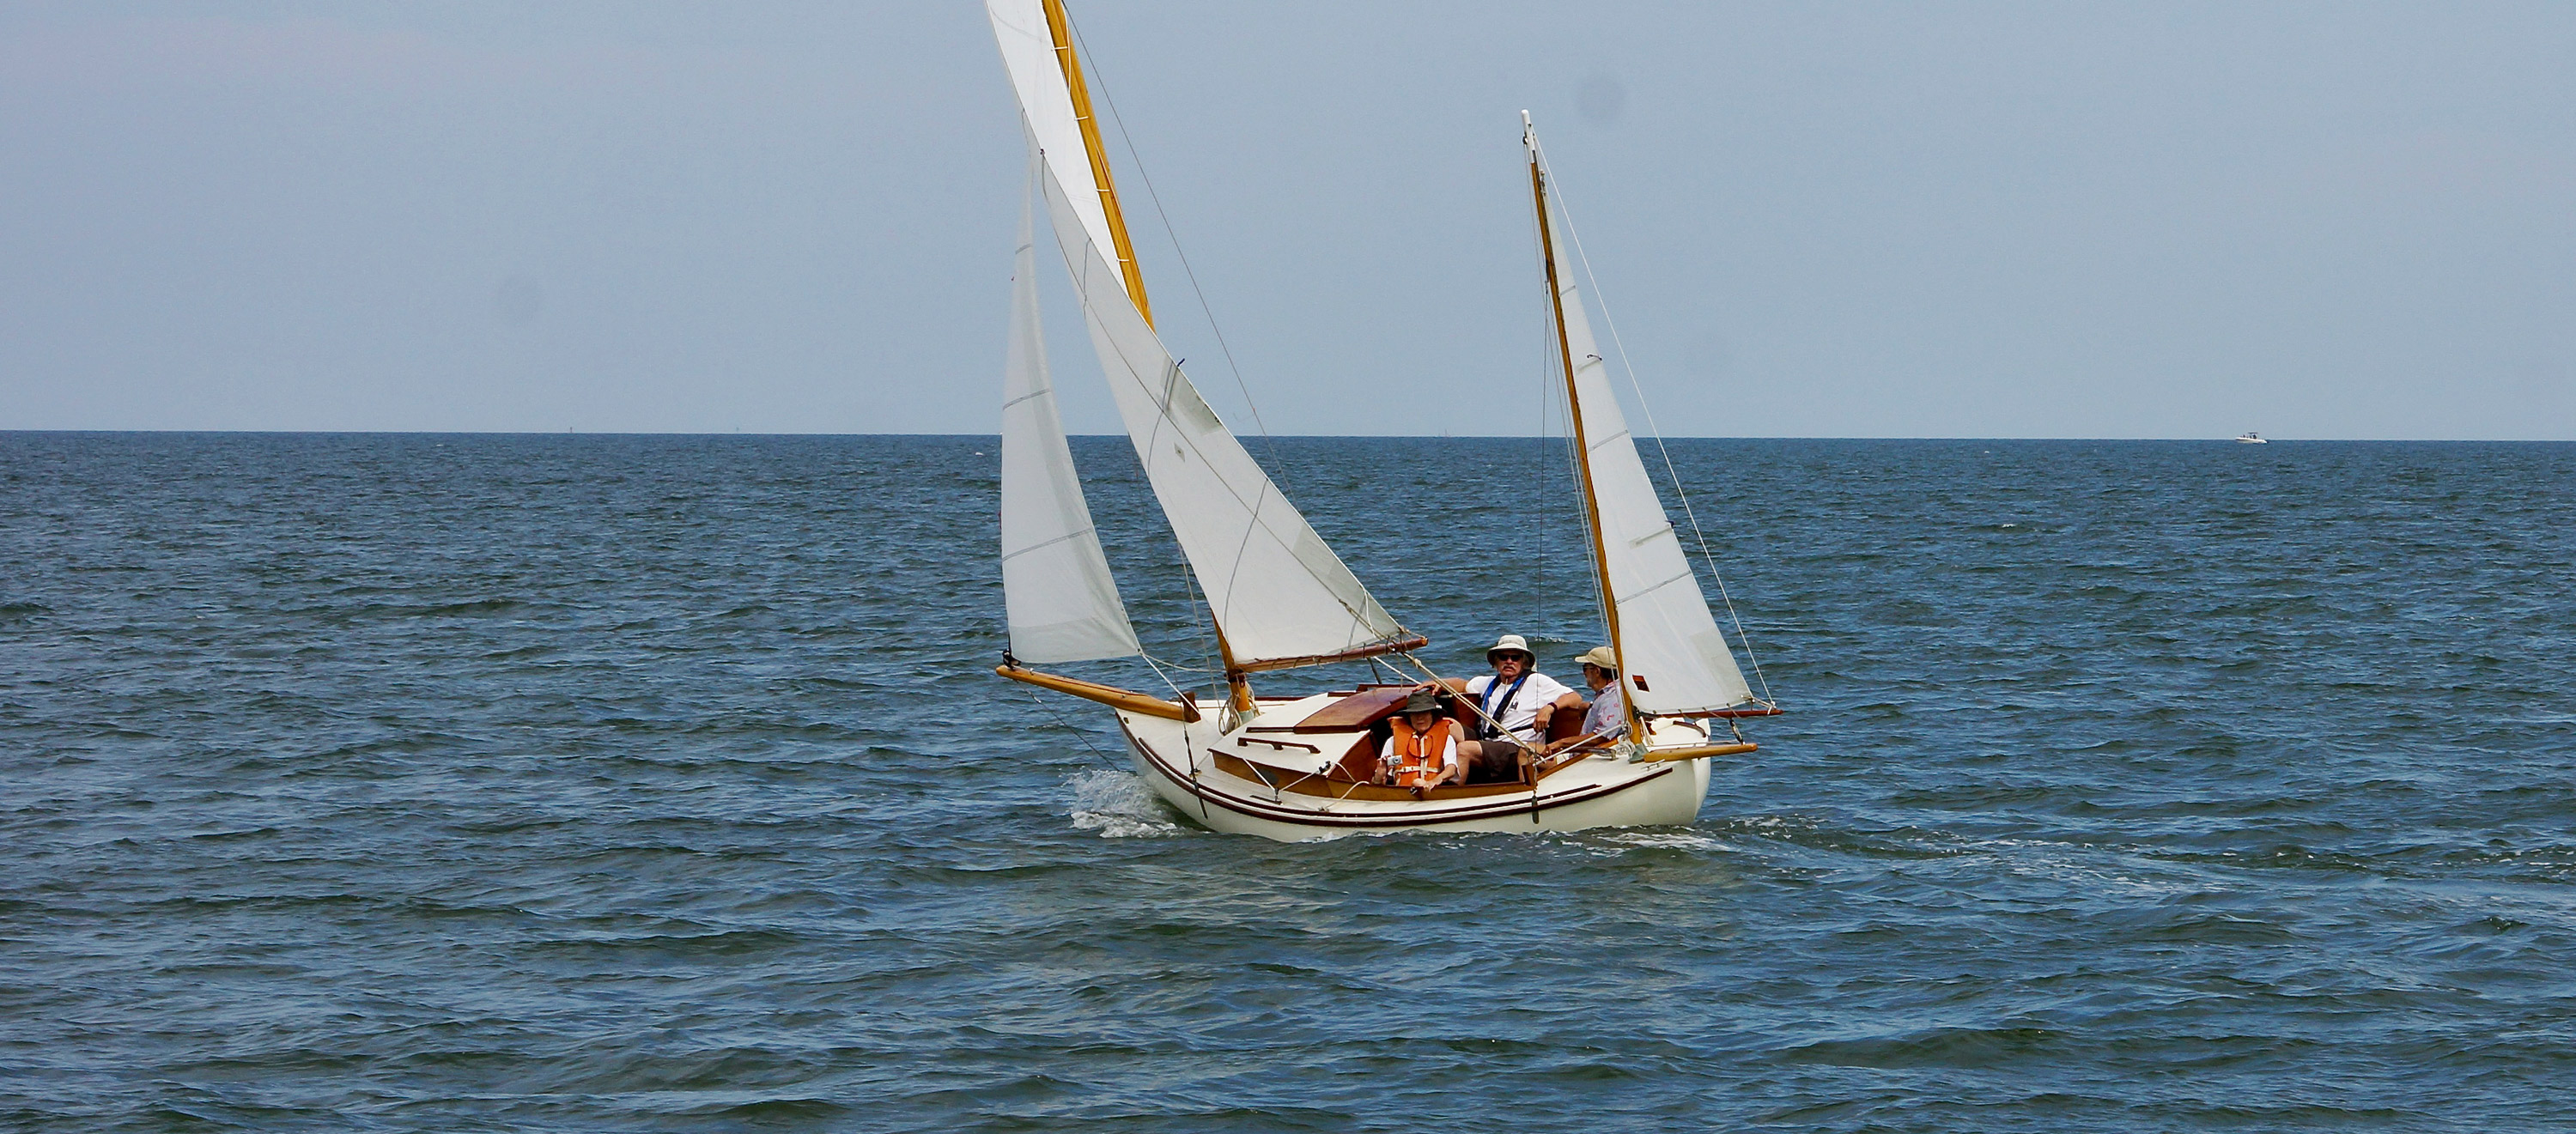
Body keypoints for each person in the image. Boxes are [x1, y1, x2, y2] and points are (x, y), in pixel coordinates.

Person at [1445, 634, 1582, 784]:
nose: (1509, 661)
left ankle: (1451, 793)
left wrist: (1549, 708)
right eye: (1504, 657)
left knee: (1465, 749)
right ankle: (1429, 777)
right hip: (1488, 741)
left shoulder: (1537, 682)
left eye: (1515, 657)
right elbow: (1462, 684)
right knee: (1446, 725)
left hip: (1516, 748)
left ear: (1524, 662)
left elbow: (1575, 697)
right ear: (1496, 662)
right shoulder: (1489, 682)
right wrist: (1436, 684)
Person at [1544, 646, 1628, 759]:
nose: (1584, 673)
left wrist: (1561, 743)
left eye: (1585, 668)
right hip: (1586, 754)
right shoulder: (1611, 693)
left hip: (1591, 757)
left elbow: (1600, 737)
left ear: (1597, 671)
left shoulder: (1613, 697)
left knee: (1525, 755)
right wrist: (1591, 706)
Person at [1378, 688, 1463, 795]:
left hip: (1434, 793)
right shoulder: (1393, 741)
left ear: (1433, 715)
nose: (1420, 718)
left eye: (1425, 712)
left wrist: (1434, 781)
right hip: (1402, 795)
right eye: (1415, 714)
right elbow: (1379, 781)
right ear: (1409, 717)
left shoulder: (1447, 739)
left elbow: (1451, 769)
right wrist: (1380, 773)